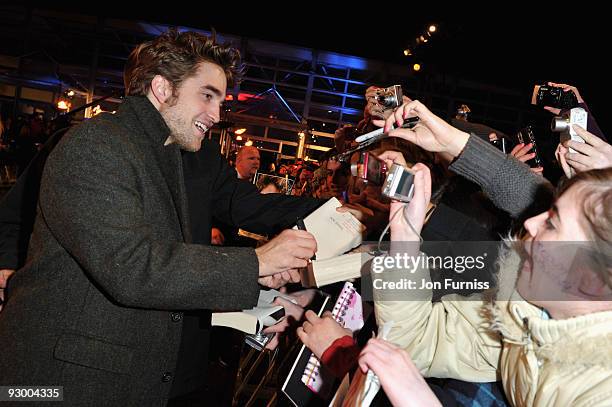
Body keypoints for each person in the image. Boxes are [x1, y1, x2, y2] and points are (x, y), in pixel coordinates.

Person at [0, 29, 319, 405]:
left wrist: (348, 213)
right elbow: (131, 266)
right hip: (62, 383)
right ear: (162, 88)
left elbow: (245, 210)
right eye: (207, 96)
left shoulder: (183, 152)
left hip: (137, 374)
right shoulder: (97, 145)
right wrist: (256, 263)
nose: (217, 115)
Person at [366, 100, 612, 406]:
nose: (531, 222)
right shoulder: (522, 309)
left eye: (552, 223)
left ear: (591, 280)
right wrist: (404, 240)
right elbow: (418, 341)